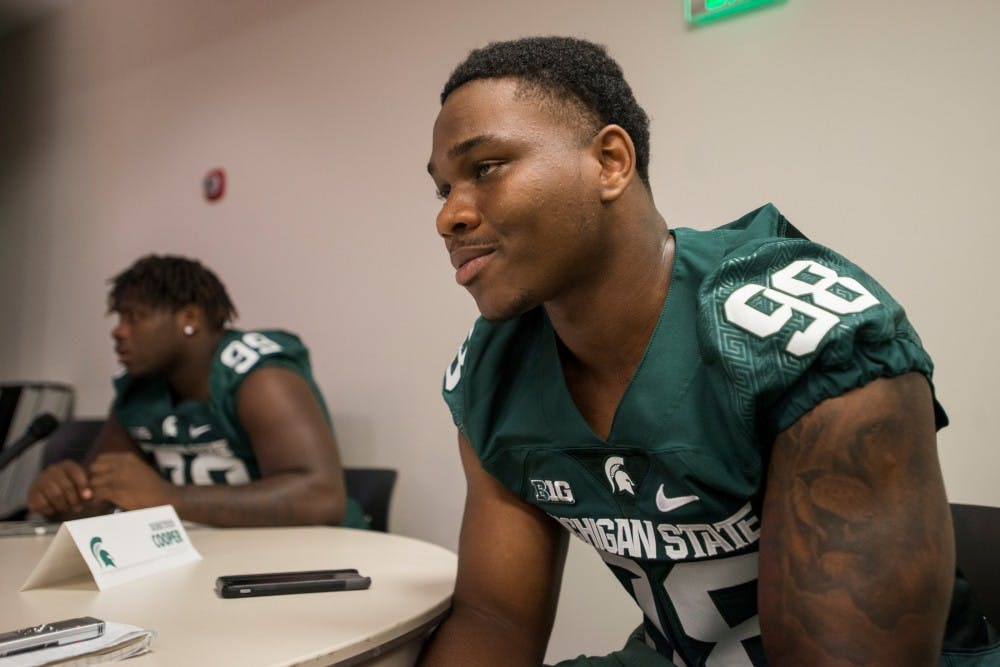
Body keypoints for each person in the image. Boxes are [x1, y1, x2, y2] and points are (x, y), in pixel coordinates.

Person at [422, 36, 999, 666]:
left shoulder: (802, 335)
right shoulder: (495, 367)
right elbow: (493, 620)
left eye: (485, 168)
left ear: (611, 161)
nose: (449, 215)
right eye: (442, 188)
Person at [27, 255, 367, 529]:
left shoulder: (259, 375)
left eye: (134, 317)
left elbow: (321, 497)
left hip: (318, 562)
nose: (118, 331)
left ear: (189, 318)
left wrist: (169, 498)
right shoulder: (138, 389)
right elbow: (105, 496)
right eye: (118, 318)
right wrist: (64, 496)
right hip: (213, 562)